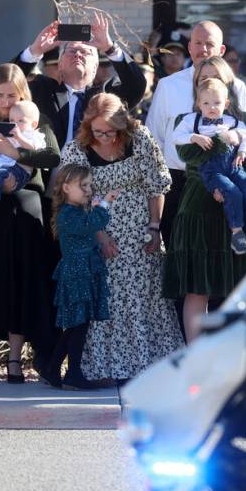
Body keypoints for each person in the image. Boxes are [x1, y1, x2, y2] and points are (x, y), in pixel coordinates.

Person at [59, 93, 183, 384]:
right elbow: (79, 200)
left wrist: (154, 226)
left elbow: (157, 185)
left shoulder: (139, 139)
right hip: (101, 232)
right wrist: (100, 236)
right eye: (98, 131)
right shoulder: (76, 150)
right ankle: (109, 368)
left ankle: (146, 366)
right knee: (110, 298)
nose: (104, 136)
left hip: (141, 231)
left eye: (111, 131)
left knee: (145, 296)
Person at [164, 56, 246, 344]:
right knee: (197, 289)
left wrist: (242, 186)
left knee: (240, 291)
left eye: (217, 79)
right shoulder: (187, 124)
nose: (210, 86)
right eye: (202, 80)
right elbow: (189, 162)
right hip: (198, 213)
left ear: (229, 86)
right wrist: (214, 184)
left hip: (237, 215)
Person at [146, 20, 246, 247]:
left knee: (216, 255)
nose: (203, 49)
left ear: (221, 50)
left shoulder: (237, 88)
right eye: (198, 43)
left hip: (222, 183)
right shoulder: (167, 85)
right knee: (178, 252)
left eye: (210, 44)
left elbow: (244, 134)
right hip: (178, 183)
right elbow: (154, 139)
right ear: (190, 47)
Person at [0, 63, 61, 384]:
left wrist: (15, 153)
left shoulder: (35, 121)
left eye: (13, 95)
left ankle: (18, 359)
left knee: (25, 282)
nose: (7, 103)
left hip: (27, 211)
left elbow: (51, 157)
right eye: (0, 95)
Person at [15, 14, 147, 147]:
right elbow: (7, 84)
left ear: (95, 67)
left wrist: (109, 48)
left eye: (85, 52)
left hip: (94, 167)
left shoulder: (106, 94)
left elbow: (137, 86)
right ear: (60, 64)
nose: (78, 54)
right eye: (72, 51)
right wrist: (34, 51)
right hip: (51, 165)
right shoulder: (42, 89)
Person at [40, 164, 117, 389]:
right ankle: (71, 374)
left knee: (78, 325)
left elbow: (90, 226)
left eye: (90, 185)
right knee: (77, 325)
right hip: (76, 275)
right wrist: (105, 204)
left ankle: (52, 370)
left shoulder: (77, 211)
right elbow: (92, 224)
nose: (88, 190)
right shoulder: (67, 214)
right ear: (65, 187)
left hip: (84, 273)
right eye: (83, 186)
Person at [172, 78, 246, 257]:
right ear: (199, 103)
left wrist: (243, 151)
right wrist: (193, 137)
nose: (212, 107)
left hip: (234, 166)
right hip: (212, 169)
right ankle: (237, 233)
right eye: (206, 103)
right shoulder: (192, 120)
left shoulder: (232, 121)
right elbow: (176, 136)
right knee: (232, 192)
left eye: (217, 103)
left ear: (226, 103)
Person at [0, 100, 46, 200]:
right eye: (12, 120)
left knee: (1, 175)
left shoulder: (34, 136)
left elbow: (34, 151)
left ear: (34, 124)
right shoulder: (10, 133)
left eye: (20, 121)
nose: (15, 124)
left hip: (19, 171)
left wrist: (19, 138)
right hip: (0, 164)